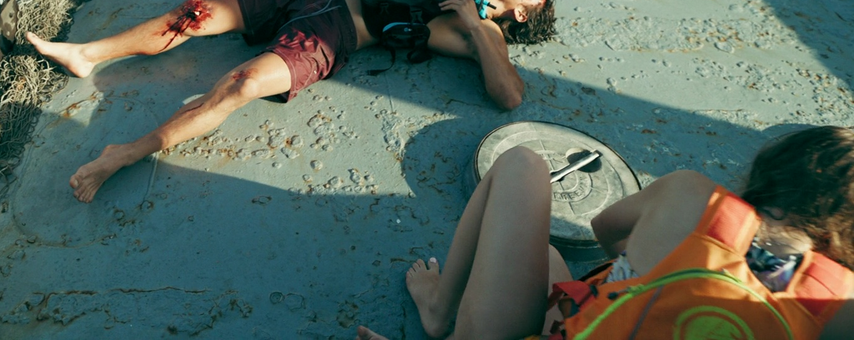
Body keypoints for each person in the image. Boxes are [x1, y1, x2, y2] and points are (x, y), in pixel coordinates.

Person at [25, 0, 554, 203]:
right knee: (194, 15)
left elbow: (508, 95)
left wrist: (474, 20)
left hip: (333, 32)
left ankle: (125, 152)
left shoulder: (482, 29)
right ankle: (86, 54)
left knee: (240, 85)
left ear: (523, 16)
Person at [360, 125, 854, 340]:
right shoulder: (839, 307)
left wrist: (646, 257)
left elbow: (605, 231)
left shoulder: (694, 197)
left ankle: (439, 311)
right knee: (552, 262)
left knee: (522, 164)